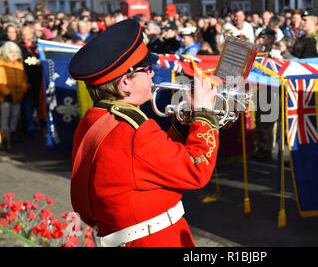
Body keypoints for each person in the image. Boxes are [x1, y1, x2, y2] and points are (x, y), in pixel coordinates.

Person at [69, 18, 221, 247]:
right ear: (124, 84)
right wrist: (205, 114)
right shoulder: (133, 129)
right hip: (153, 240)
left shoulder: (95, 118)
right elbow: (196, 168)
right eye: (147, 70)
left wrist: (185, 121)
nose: (152, 75)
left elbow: (152, 160)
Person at [0, 41, 28, 143]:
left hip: (18, 95)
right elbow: (1, 81)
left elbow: (24, 78)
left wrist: (23, 90)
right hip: (5, 97)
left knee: (15, 115)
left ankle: (12, 133)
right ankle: (4, 136)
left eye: (15, 52)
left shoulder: (19, 63)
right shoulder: (1, 63)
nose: (13, 54)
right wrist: (7, 94)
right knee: (5, 116)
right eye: (11, 52)